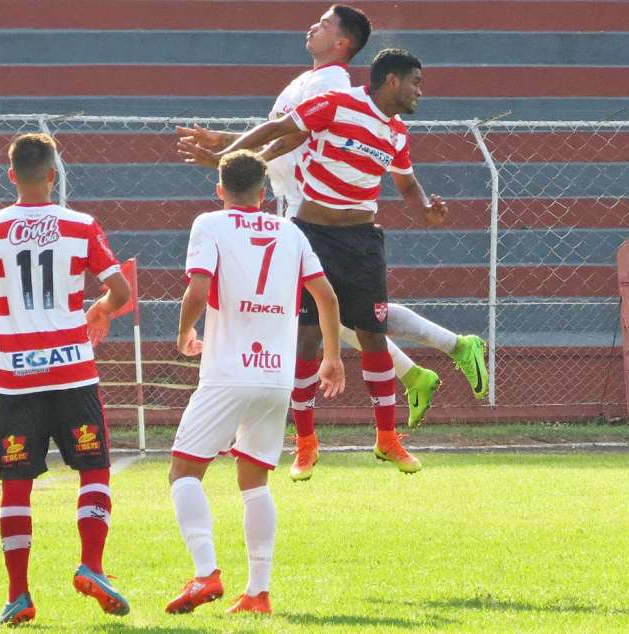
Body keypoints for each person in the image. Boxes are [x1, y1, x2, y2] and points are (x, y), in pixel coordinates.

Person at [178, 7, 488, 479]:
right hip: (310, 233)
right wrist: (228, 154)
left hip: (362, 240)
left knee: (372, 333)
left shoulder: (395, 132)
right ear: (390, 82)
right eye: (415, 83)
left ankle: (387, 439)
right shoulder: (336, 101)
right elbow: (281, 132)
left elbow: (406, 185)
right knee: (305, 339)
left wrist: (425, 208)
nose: (420, 92)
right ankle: (305, 445)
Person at [0, 133, 132, 626]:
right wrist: (100, 308)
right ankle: (92, 565)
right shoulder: (80, 225)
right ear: (54, 175)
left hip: (17, 378)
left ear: (11, 175)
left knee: (16, 486)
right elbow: (120, 290)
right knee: (94, 470)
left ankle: (19, 595)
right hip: (73, 372)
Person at [165, 151, 345, 615]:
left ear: (220, 189)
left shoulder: (210, 224)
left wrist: (185, 331)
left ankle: (206, 575)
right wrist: (331, 358)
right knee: (254, 482)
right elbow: (325, 296)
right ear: (264, 193)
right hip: (276, 376)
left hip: (228, 372)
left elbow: (199, 288)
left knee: (184, 472)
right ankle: (258, 593)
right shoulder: (291, 231)